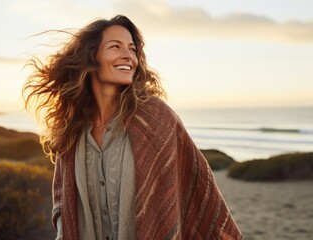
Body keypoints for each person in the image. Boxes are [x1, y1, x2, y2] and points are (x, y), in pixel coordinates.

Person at [23, 15, 242, 240]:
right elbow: (63, 199)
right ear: (91, 58)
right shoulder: (72, 128)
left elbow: (196, 187)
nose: (128, 56)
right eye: (115, 46)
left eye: (132, 49)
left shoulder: (156, 117)